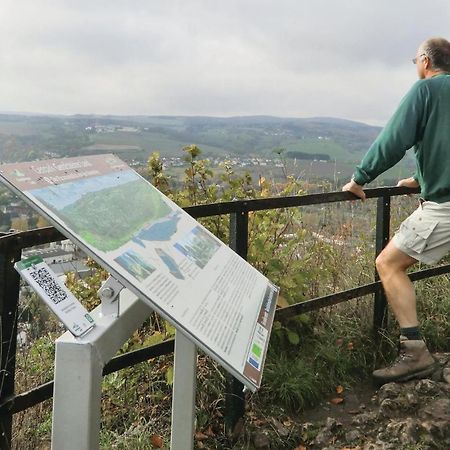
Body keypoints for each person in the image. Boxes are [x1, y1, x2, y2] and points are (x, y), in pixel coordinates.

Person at [342, 37, 450, 385]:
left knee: (389, 263)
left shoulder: (426, 91)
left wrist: (361, 178)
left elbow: (394, 138)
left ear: (424, 60)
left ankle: (414, 352)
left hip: (446, 204)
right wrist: (421, 177)